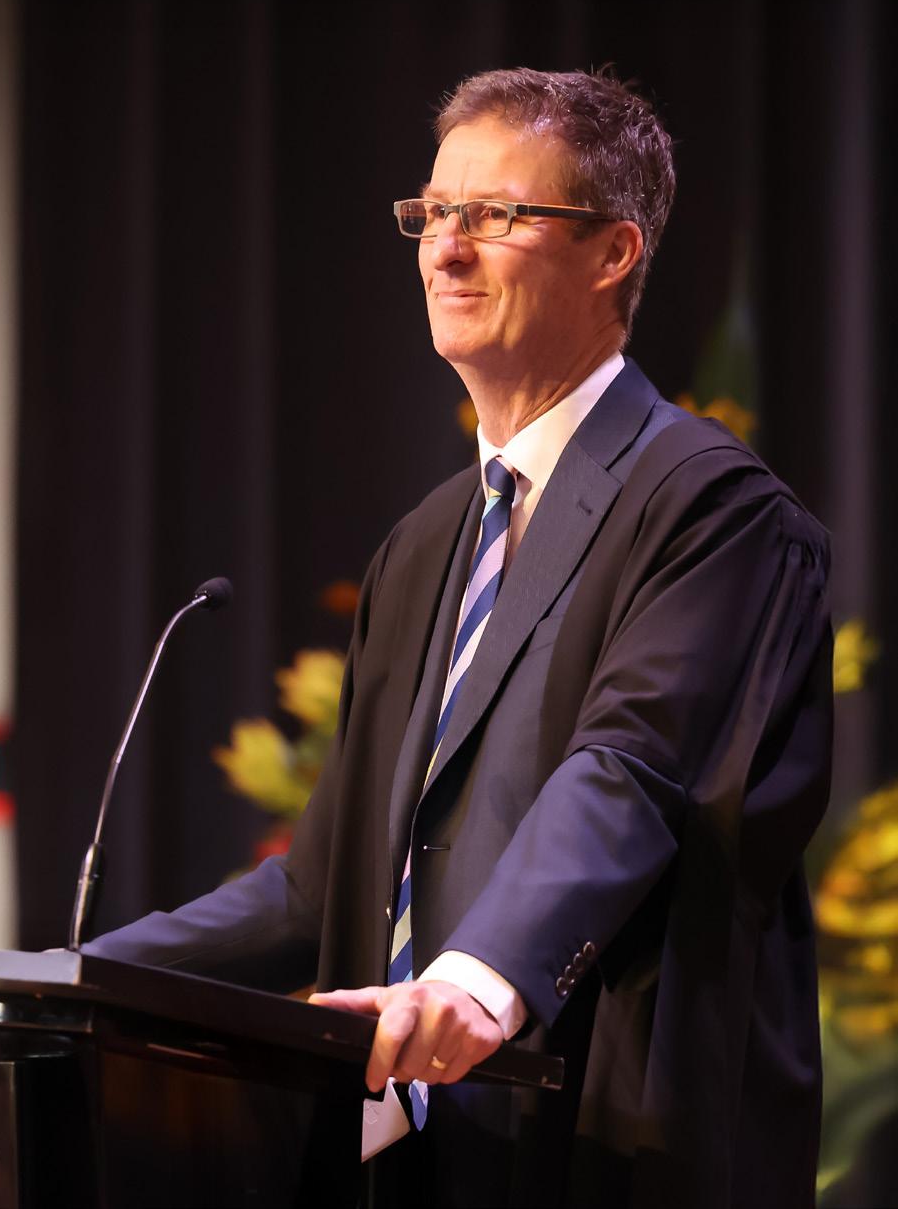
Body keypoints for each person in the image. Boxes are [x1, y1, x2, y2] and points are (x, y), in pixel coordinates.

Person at [84, 67, 831, 1208]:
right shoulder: (427, 542)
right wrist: (73, 980)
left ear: (612, 251)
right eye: (431, 213)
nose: (443, 249)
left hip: (603, 1141)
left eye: (490, 214)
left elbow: (630, 774)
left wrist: (475, 982)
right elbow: (319, 890)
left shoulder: (712, 510)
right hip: (413, 1154)